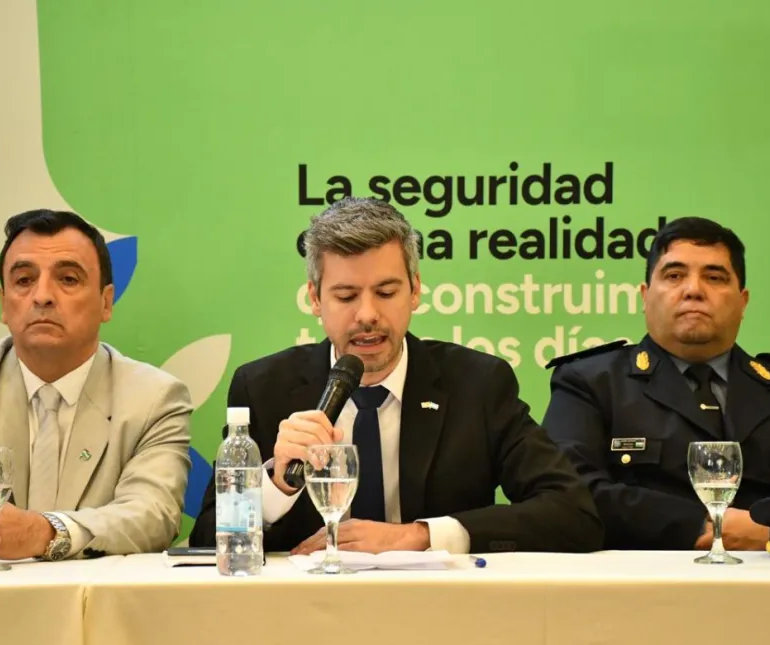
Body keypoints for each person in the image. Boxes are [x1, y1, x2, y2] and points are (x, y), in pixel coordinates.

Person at [190, 197, 603, 554]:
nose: (368, 314)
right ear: (315, 299)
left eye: (386, 292)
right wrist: (276, 486)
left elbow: (572, 512)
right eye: (346, 295)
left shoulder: (478, 384)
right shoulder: (265, 387)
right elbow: (205, 541)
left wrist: (421, 535)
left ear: (415, 290)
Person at [0, 209, 192, 565]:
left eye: (68, 279)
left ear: (106, 302)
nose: (42, 296)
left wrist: (43, 533)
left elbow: (153, 515)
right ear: (3, 303)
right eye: (24, 280)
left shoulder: (154, 397)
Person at [542, 216, 770, 551]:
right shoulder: (590, 383)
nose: (694, 290)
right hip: (640, 585)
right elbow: (570, 492)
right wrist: (708, 527)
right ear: (645, 296)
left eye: (714, 277)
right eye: (674, 275)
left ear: (742, 302)